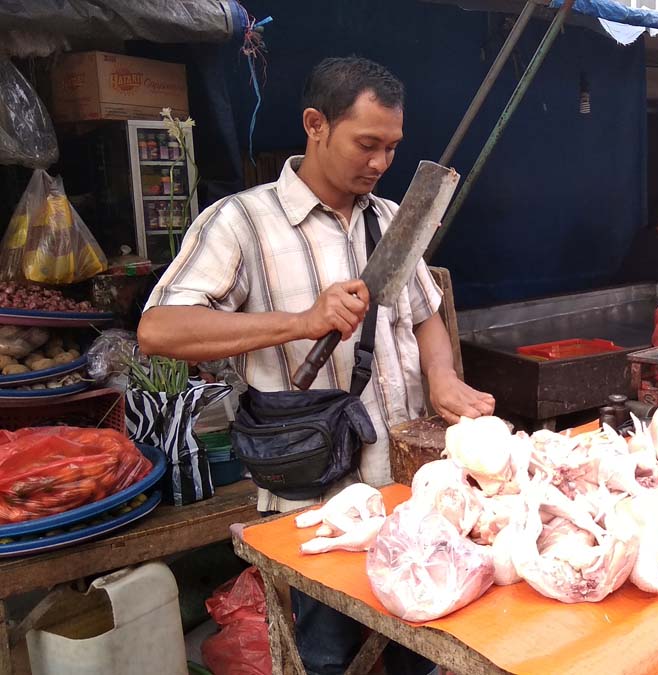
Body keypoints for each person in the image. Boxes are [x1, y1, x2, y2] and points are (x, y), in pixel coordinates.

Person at [138, 57, 495, 674]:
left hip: (408, 492)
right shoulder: (241, 221)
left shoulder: (391, 221)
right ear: (315, 124)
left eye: (392, 147)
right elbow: (158, 329)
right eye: (367, 144)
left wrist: (443, 377)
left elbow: (425, 314)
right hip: (316, 498)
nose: (381, 163)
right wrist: (301, 322)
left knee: (424, 649)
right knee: (329, 656)